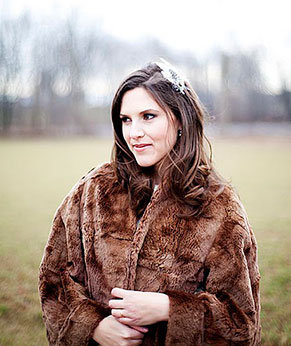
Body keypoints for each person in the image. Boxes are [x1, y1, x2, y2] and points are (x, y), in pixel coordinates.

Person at [39, 60, 261, 345]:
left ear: (180, 118)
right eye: (126, 119)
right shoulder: (92, 191)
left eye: (148, 116)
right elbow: (54, 280)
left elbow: (241, 323)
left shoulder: (218, 206)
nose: (133, 133)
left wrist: (168, 309)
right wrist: (93, 327)